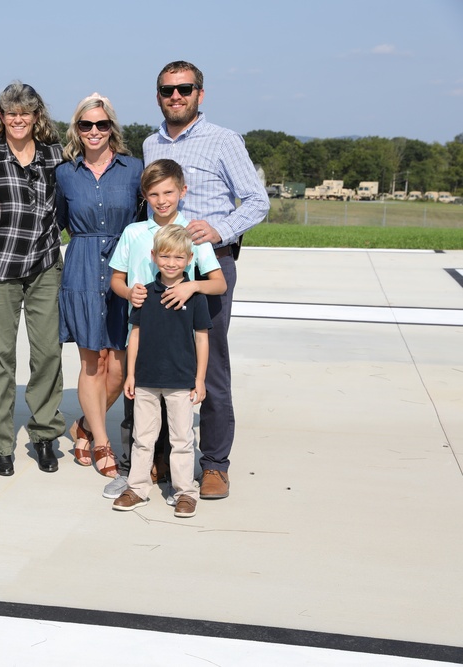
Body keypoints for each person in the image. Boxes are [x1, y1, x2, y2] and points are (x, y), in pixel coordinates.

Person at [142, 61, 270, 499]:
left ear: (200, 93)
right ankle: (162, 453)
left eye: (184, 89)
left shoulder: (223, 140)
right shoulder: (149, 143)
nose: (175, 97)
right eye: (167, 90)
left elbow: (257, 201)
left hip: (209, 263)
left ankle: (214, 463)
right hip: (163, 266)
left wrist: (221, 229)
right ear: (158, 95)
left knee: (209, 361)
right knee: (159, 358)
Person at [105, 159, 226, 500]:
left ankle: (179, 484)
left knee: (178, 426)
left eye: (169, 192)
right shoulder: (134, 233)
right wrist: (129, 291)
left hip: (178, 343)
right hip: (142, 336)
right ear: (145, 196)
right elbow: (116, 278)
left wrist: (192, 286)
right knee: (138, 420)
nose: (162, 200)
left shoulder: (193, 233)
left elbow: (217, 284)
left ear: (182, 192)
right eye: (154, 194)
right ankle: (134, 477)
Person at [0, 82, 66, 476]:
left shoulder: (56, 157)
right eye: (11, 113)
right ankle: (1, 445)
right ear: (1, 117)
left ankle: (44, 436)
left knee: (47, 354)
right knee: (0, 359)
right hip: (0, 268)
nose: (18, 119)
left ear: (36, 116)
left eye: (25, 112)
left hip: (44, 265)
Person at [55, 93, 143, 478]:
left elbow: (147, 218)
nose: (94, 131)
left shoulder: (134, 169)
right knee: (93, 362)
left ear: (112, 128)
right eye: (86, 125)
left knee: (119, 368)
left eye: (101, 124)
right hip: (82, 267)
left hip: (124, 269)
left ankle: (86, 427)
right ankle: (103, 443)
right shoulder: (64, 173)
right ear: (77, 129)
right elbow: (59, 219)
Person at [112, 225, 210, 518]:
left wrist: (200, 379)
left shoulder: (194, 297)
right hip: (145, 379)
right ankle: (137, 488)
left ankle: (184, 492)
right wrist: (130, 375)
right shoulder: (143, 294)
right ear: (154, 256)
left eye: (178, 258)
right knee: (143, 437)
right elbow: (136, 334)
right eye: (165, 256)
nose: (171, 263)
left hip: (181, 381)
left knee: (181, 439)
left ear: (189, 259)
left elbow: (202, 338)